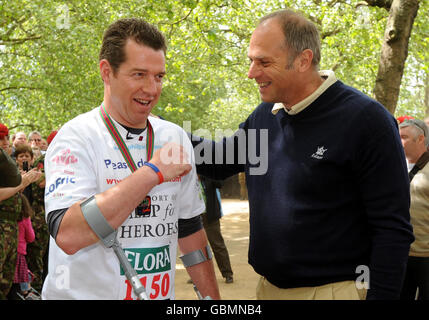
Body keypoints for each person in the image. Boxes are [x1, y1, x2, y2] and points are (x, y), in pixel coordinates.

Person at [191, 9, 414, 300]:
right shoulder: (264, 116)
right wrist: (155, 129)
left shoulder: (366, 120)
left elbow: (392, 229)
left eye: (263, 62)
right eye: (251, 61)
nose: (251, 73)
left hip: (336, 292)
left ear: (303, 60)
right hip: (268, 290)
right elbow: (216, 159)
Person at [41, 18, 220, 300]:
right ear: (106, 72)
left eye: (159, 76)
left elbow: (188, 228)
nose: (151, 89)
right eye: (139, 74)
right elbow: (69, 235)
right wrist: (152, 173)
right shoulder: (75, 137)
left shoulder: (174, 137)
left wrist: (212, 301)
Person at [0, 123, 42, 300]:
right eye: (0, 138)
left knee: (6, 282)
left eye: (6, 137)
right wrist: (23, 183)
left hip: (11, 228)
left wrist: (23, 181)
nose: (4, 142)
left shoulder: (5, 160)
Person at [398, 119, 429, 300]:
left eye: (404, 137)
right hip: (401, 253)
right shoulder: (395, 165)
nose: (398, 141)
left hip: (426, 256)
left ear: (420, 139)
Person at [199, 176, 233, 283]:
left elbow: (220, 183)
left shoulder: (209, 177)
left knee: (217, 245)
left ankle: (227, 273)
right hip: (195, 217)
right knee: (197, 248)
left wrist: (206, 173)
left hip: (210, 216)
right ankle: (199, 275)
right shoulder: (189, 178)